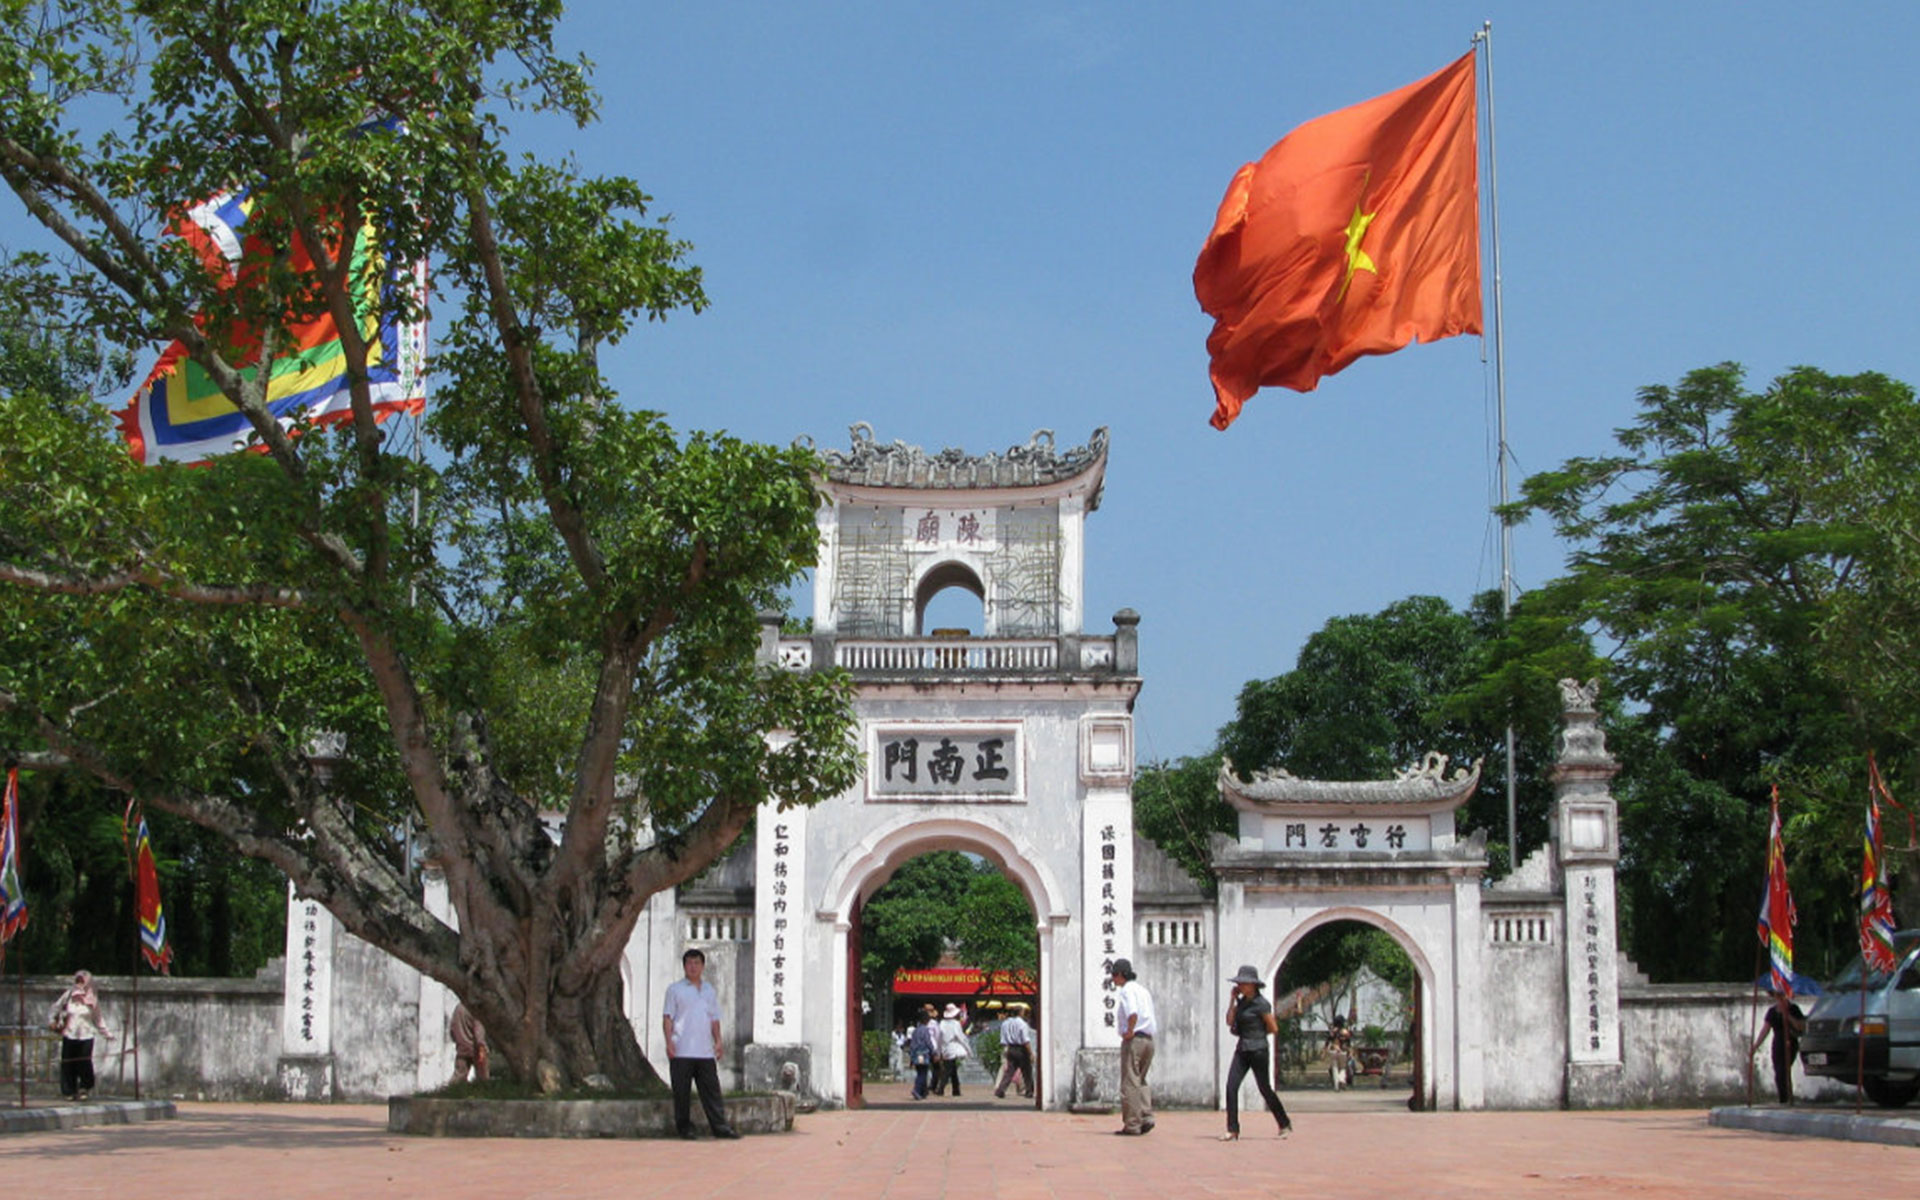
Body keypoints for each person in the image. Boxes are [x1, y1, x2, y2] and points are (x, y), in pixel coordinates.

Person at [662, 948, 740, 1139]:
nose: (693, 967)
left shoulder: (709, 991)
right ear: (684, 966)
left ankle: (720, 1127)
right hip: (681, 1050)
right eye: (689, 963)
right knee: (682, 1093)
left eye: (697, 963)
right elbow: (668, 1018)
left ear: (703, 966)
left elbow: (714, 1019)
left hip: (705, 1052)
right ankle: (684, 1128)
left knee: (711, 1092)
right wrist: (669, 1042)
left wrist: (719, 1041)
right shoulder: (675, 990)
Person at [1220, 965, 1291, 1141]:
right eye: (1240, 983)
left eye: (1245, 983)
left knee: (1264, 1088)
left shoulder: (1262, 1004)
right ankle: (1233, 1129)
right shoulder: (1241, 1003)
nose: (1241, 986)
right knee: (1231, 1086)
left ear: (1253, 985)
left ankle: (1284, 1123)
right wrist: (1232, 1001)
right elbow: (1229, 1021)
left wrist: (1258, 1036)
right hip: (1242, 1049)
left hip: (1258, 1050)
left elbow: (1273, 1027)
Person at [48, 969, 111, 1102]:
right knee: (68, 1062)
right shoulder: (69, 995)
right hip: (70, 1034)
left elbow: (98, 1018)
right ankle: (68, 1091)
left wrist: (107, 1033)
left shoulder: (92, 998)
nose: (79, 983)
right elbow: (55, 1007)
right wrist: (52, 1021)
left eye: (82, 981)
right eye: (78, 980)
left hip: (86, 1035)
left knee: (84, 1062)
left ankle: (84, 1087)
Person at [1111, 957, 1156, 1135]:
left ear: (1122, 975)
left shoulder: (1127, 991)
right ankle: (1146, 1116)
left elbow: (1133, 1013)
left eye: (1114, 974)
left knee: (1130, 1082)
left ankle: (1132, 1124)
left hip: (1135, 1039)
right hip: (1148, 1040)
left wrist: (1129, 1030)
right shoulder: (1143, 990)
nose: (1113, 979)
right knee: (1141, 1080)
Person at [1751, 990, 1807, 1105]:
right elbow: (1765, 1030)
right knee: (1778, 1072)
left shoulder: (1793, 1009)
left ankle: (1787, 1098)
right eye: (1778, 997)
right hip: (1778, 1044)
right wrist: (1755, 1046)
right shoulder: (1772, 1012)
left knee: (1784, 1071)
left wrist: (1787, 1015)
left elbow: (1801, 1027)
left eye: (1782, 996)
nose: (1780, 999)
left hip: (1790, 1042)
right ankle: (1783, 1098)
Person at [994, 1002, 1034, 1099]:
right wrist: (1031, 1053)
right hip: (1021, 1048)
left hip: (1010, 1048)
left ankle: (1001, 1089)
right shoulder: (1022, 1024)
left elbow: (1003, 1038)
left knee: (1010, 1071)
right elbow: (1025, 1040)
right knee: (1027, 1071)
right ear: (1020, 1013)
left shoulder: (1006, 1023)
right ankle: (1029, 1091)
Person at [936, 1003, 972, 1097]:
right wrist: (968, 1050)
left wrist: (939, 1051)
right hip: (952, 1048)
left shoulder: (942, 1023)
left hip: (945, 1048)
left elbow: (939, 1039)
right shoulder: (955, 1024)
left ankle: (956, 1089)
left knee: (952, 1069)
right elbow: (961, 1038)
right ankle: (941, 1088)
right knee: (948, 1069)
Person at [449, 1002, 489, 1084]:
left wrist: (458, 1041)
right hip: (476, 1050)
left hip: (462, 1048)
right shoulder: (475, 1010)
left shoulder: (458, 1008)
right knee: (482, 1079)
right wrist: (481, 1048)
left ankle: (449, 1093)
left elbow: (452, 1029)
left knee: (458, 1077)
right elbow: (479, 1032)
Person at [907, 1004, 939, 1100]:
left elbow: (912, 1045)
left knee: (920, 1072)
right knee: (923, 1073)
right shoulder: (925, 1030)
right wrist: (934, 1052)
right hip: (923, 1054)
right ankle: (916, 1090)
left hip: (916, 1054)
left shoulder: (915, 1031)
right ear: (926, 1020)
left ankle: (923, 1091)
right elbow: (928, 1042)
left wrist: (911, 1057)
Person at [1326, 1014, 1354, 1091]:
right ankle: (1341, 1080)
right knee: (1343, 1068)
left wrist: (1324, 1051)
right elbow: (1348, 1044)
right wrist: (1350, 1052)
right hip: (1343, 1051)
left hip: (1333, 1050)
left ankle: (1336, 1085)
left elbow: (1328, 1041)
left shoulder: (1332, 1031)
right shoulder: (1346, 1032)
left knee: (1334, 1068)